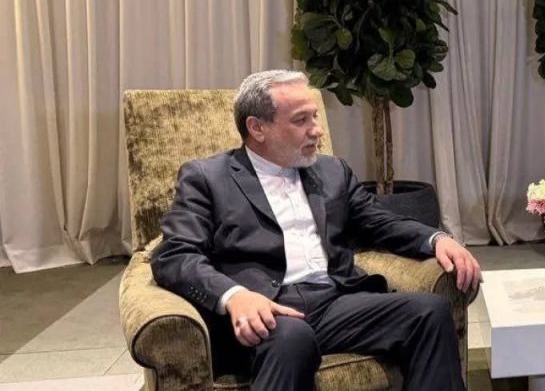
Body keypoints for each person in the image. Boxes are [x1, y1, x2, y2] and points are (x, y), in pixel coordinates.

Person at [152, 69, 479, 391]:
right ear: (257, 127)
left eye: (315, 117)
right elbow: (176, 254)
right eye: (301, 120)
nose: (317, 131)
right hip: (265, 310)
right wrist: (234, 296)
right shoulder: (207, 178)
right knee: (293, 338)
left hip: (334, 302)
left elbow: (379, 222)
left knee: (430, 313)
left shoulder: (332, 170)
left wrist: (436, 239)